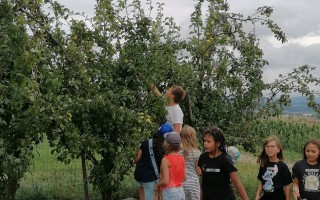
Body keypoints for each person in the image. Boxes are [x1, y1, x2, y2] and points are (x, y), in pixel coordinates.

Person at [198, 127, 248, 200]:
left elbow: (238, 184)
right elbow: (203, 181)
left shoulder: (225, 160)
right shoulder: (203, 158)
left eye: (208, 141)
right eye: (204, 141)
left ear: (218, 143)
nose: (205, 144)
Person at [134, 123, 173, 200]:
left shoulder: (145, 143)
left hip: (139, 174)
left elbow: (137, 159)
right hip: (150, 178)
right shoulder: (164, 148)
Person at [255, 136, 292, 200]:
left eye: (272, 146)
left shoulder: (282, 166)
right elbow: (262, 181)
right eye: (267, 146)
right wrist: (257, 195)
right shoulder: (263, 164)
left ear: (278, 149)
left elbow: (287, 185)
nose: (269, 148)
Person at [155, 132, 186, 200]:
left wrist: (157, 186)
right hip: (181, 191)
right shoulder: (181, 158)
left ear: (167, 145)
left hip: (170, 192)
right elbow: (184, 178)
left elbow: (165, 181)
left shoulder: (166, 160)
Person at [179, 125, 201, 200]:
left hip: (180, 183)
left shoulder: (177, 152)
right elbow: (199, 171)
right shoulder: (197, 152)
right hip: (193, 185)